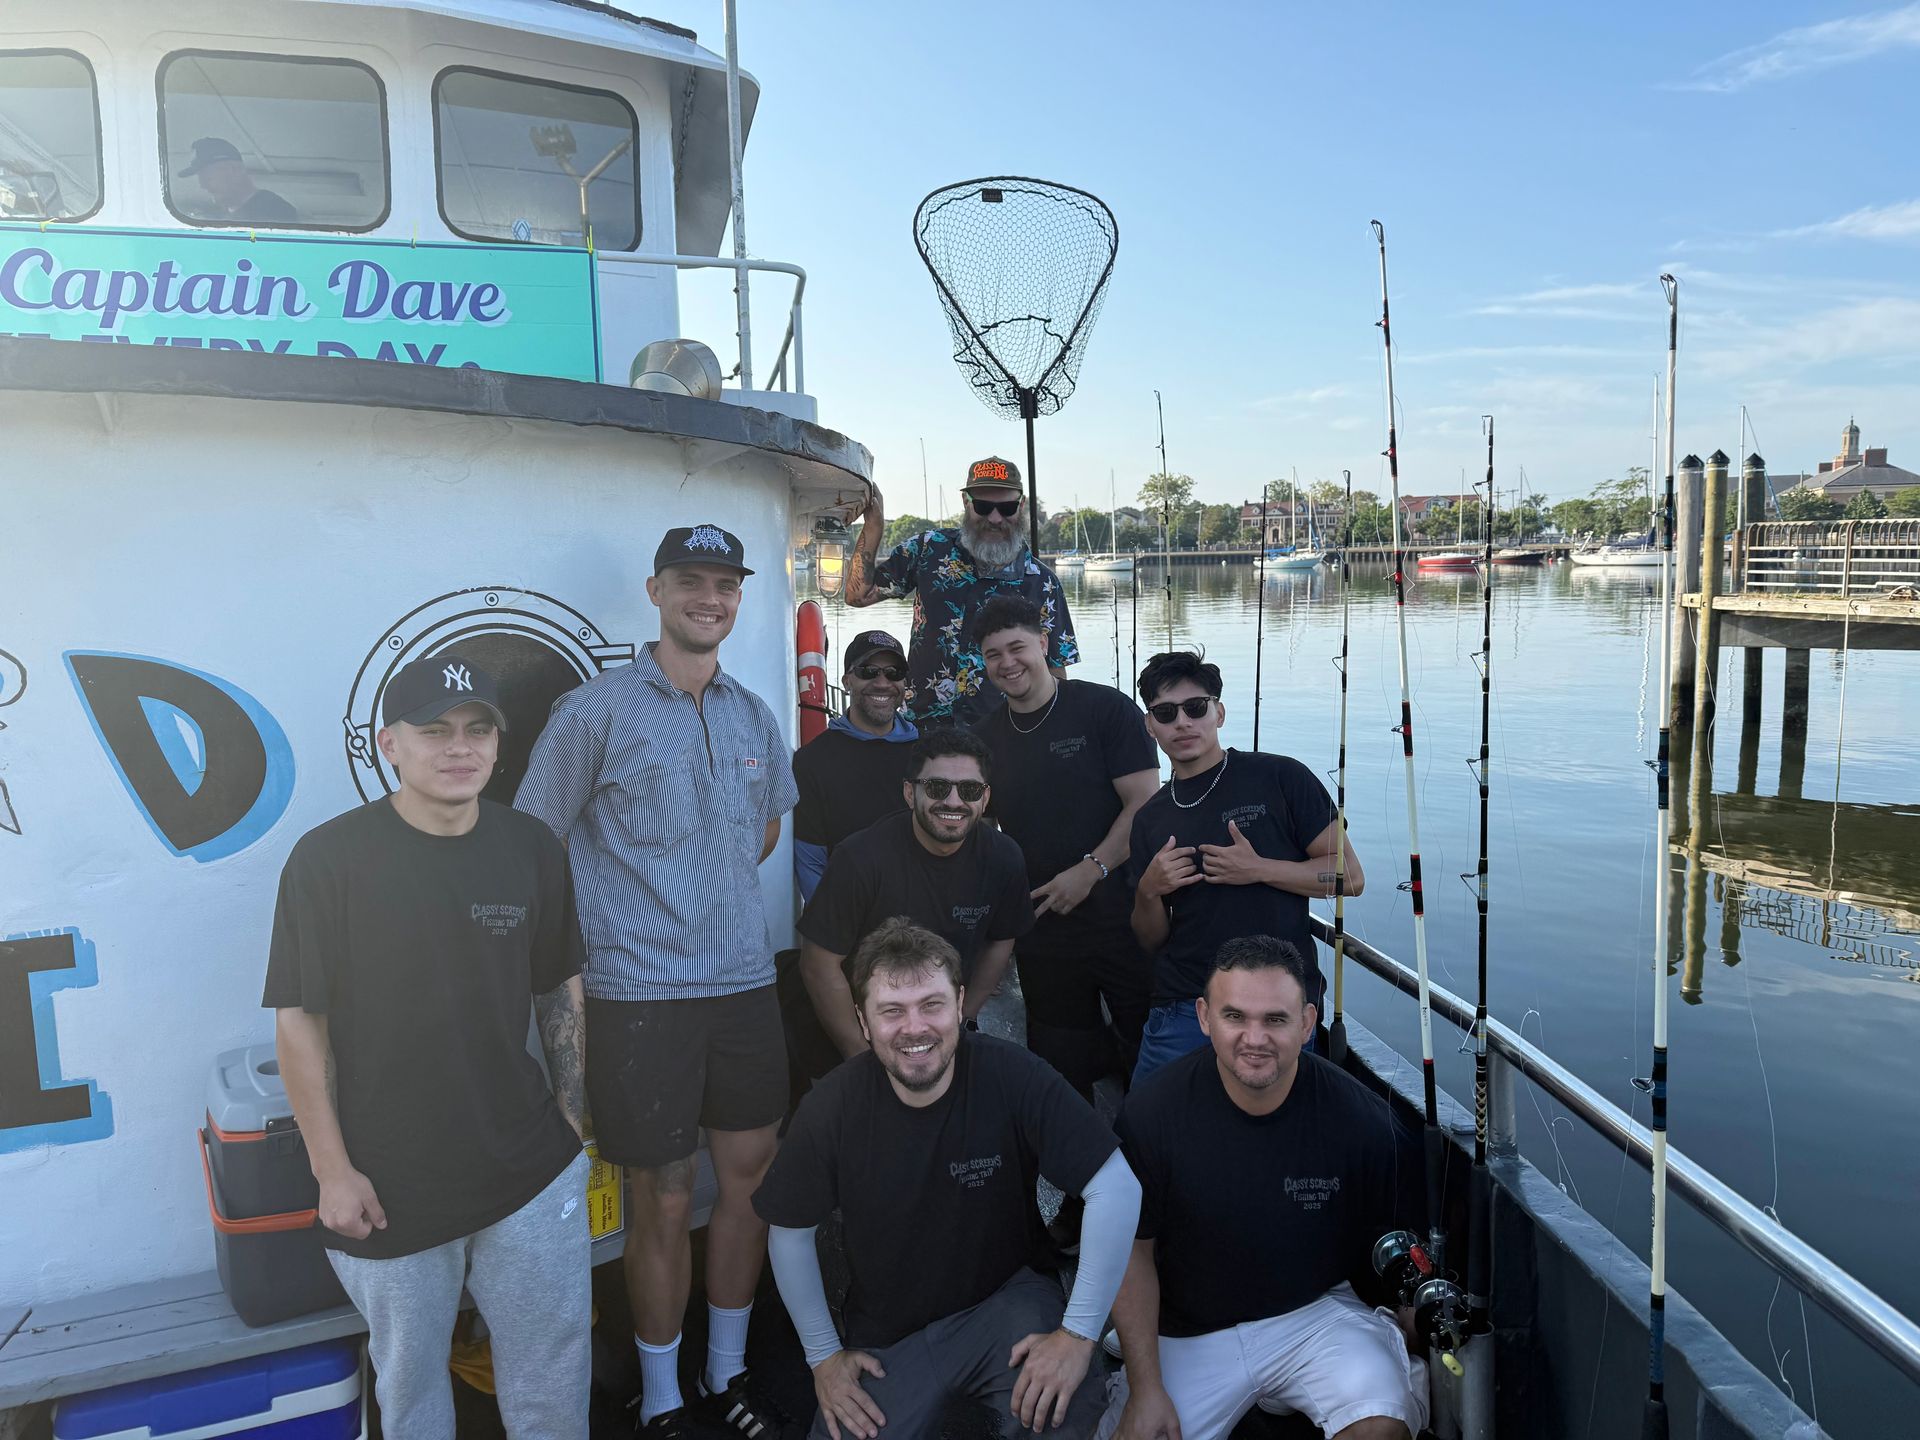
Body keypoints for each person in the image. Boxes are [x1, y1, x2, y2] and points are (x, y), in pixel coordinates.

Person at [515, 525, 796, 1438]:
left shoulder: (754, 713)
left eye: (724, 584)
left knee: (751, 1186)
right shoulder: (594, 712)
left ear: (738, 599)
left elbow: (762, 830)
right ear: (655, 590)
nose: (707, 598)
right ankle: (665, 1396)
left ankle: (726, 1374)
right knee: (663, 1198)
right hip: (638, 999)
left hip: (746, 987)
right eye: (689, 581)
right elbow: (534, 836)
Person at [266, 654, 590, 1440]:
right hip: (389, 1184)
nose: (460, 747)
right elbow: (298, 1025)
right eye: (434, 730)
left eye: (478, 730)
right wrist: (332, 1172)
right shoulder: (329, 859)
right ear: (389, 745)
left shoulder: (531, 848)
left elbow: (559, 989)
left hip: (526, 1169)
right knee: (411, 1395)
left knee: (553, 1379)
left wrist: (575, 1123)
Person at [756, 919, 1143, 1440]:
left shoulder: (1011, 1073)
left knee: (1062, 1407)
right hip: (890, 1340)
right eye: (892, 1011)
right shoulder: (832, 1107)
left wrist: (1078, 1335)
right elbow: (789, 1228)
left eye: (931, 1005)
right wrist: (823, 1357)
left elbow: (1116, 1186)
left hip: (1006, 1304)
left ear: (960, 1004)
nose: (915, 1028)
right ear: (863, 1021)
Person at [1099, 936, 1427, 1440]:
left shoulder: (1364, 1124)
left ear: (1307, 1023)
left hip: (1312, 1315)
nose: (1254, 1038)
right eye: (1235, 1017)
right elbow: (1130, 1252)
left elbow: (1394, 1239)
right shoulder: (1150, 1116)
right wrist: (1146, 1388)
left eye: (1275, 1019)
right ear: (1205, 1017)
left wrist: (1410, 1309)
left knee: (1382, 1421)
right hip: (1188, 1328)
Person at [1125, 650, 1364, 1083]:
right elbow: (1150, 938)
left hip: (1275, 1003)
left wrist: (1259, 869)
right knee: (1143, 1124)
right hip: (1184, 1003)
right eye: (1165, 712)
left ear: (1219, 712)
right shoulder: (1149, 818)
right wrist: (1149, 890)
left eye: (1195, 707)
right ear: (1149, 726)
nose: (1182, 722)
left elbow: (1350, 876)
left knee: (1269, 1130)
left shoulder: (1280, 777)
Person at [972, 594, 1160, 1095]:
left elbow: (1144, 801)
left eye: (1018, 648)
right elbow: (980, 827)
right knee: (1061, 1067)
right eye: (994, 655)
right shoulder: (984, 738)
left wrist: (1091, 869)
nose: (1008, 664)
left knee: (1147, 1055)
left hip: (1126, 918)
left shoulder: (1104, 709)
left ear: (1044, 643)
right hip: (1044, 930)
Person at [796, 728, 1032, 1060]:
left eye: (969, 789)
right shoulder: (861, 859)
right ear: (910, 793)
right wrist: (860, 1056)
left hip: (943, 1023)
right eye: (937, 787)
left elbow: (1001, 939)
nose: (953, 801)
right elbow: (818, 965)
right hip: (866, 1024)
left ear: (985, 797)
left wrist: (963, 1018)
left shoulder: (1003, 858)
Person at [843, 456, 1079, 727]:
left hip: (1002, 735)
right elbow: (857, 595)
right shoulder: (927, 549)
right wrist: (874, 524)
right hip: (920, 729)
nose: (994, 518)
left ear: (1022, 506)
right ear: (966, 503)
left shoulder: (1043, 583)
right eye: (983, 506)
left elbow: (1056, 670)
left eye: (1007, 508)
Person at [790, 628, 918, 905]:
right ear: (847, 680)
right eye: (869, 671)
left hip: (923, 913)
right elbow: (810, 861)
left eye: (894, 673)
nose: (883, 683)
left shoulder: (928, 754)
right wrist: (834, 928)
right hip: (851, 915)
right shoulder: (811, 761)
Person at [180, 137, 298, 223]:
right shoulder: (217, 214)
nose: (203, 185)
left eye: (208, 177)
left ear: (233, 170)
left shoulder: (273, 209)